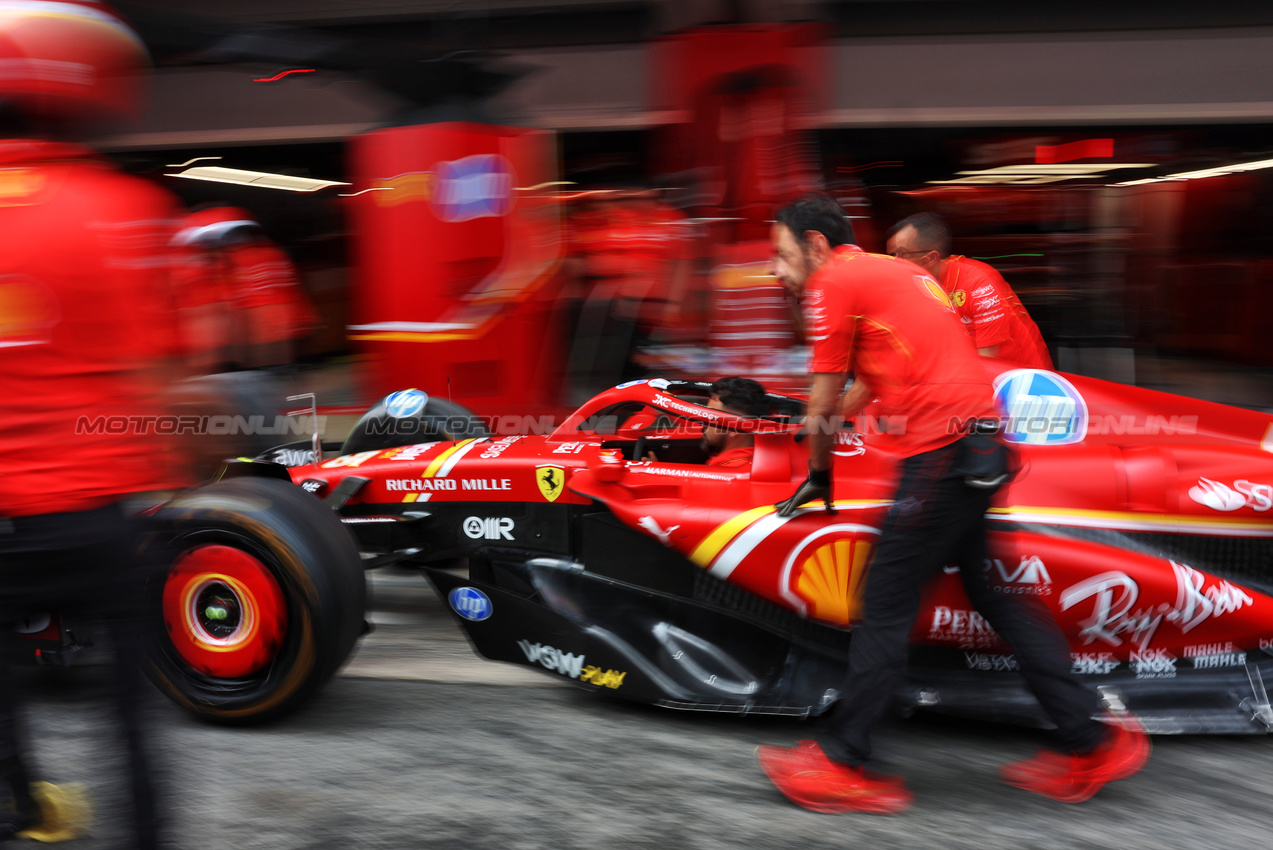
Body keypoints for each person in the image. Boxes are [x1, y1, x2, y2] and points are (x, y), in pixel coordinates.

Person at [758, 193, 1147, 814]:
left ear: (816, 246)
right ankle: (1092, 739)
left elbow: (826, 394)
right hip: (982, 444)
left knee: (884, 602)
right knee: (996, 593)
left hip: (941, 451)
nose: (774, 272)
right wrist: (814, 426)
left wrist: (816, 467)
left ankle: (844, 761)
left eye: (780, 257)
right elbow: (869, 382)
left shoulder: (832, 282)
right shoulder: (899, 272)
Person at [0, 3, 185, 846]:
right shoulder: (122, 209)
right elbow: (162, 379)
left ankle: (28, 813)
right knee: (129, 715)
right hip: (90, 513)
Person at [886, 212, 1052, 369]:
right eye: (891, 255)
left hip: (1023, 378)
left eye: (902, 254)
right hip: (971, 372)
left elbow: (988, 360)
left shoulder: (978, 283)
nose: (894, 263)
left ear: (930, 258)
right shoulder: (912, 287)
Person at [701, 376, 767, 470]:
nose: (703, 424)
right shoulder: (752, 461)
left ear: (736, 428)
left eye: (711, 417)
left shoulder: (729, 471)